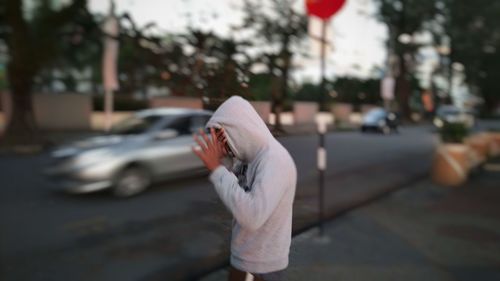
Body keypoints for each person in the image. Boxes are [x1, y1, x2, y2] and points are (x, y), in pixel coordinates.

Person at [192, 96, 297, 281]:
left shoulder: (275, 161)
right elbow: (238, 200)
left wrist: (216, 169)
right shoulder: (247, 158)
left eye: (222, 136)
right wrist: (224, 163)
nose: (221, 145)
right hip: (246, 259)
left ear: (239, 129)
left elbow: (251, 217)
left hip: (260, 266)